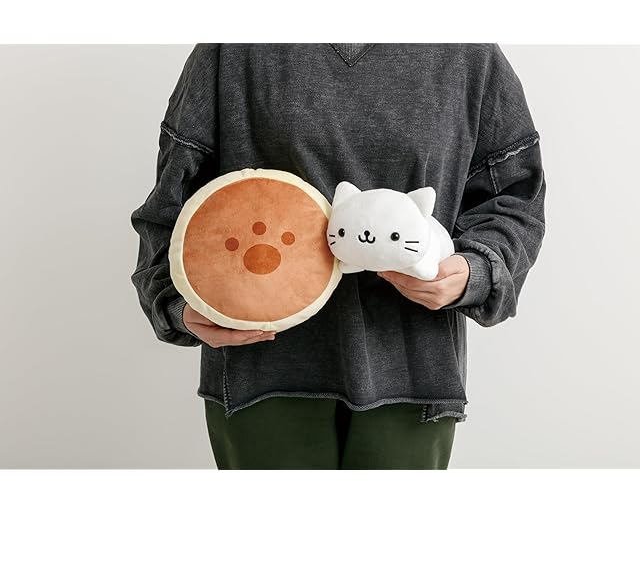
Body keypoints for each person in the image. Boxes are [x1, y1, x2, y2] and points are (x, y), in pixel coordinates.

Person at [130, 43, 546, 470]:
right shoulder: (231, 50)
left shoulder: (468, 54)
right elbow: (171, 206)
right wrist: (176, 305)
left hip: (412, 369)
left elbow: (516, 198)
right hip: (262, 368)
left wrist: (474, 272)